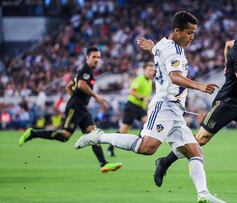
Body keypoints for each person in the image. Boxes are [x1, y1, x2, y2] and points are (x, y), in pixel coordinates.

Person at [75, 11, 226, 203]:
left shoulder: (163, 44)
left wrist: (151, 47)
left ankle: (203, 195)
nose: (192, 37)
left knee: (195, 152)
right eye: (189, 32)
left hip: (176, 110)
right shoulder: (175, 51)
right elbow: (175, 76)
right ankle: (99, 136)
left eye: (194, 32)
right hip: (164, 105)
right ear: (177, 31)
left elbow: (158, 51)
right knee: (146, 147)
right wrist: (199, 85)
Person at [140, 16, 237, 187]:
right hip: (226, 103)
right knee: (199, 140)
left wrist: (226, 64)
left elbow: (228, 44)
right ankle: (164, 162)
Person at [18, 47, 122, 173]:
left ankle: (103, 163)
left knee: (93, 134)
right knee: (65, 136)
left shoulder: (83, 70)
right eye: (94, 57)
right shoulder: (86, 69)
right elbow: (81, 85)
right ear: (87, 57)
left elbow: (69, 86)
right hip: (76, 108)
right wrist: (96, 96)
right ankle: (33, 133)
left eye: (98, 57)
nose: (96, 60)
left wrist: (75, 96)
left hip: (81, 107)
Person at [107, 62, 155, 156]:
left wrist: (146, 103)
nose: (151, 72)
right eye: (149, 70)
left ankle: (139, 141)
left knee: (148, 122)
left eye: (152, 70)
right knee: (124, 130)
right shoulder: (140, 79)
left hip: (140, 107)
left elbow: (146, 97)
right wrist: (141, 98)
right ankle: (110, 147)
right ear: (144, 70)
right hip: (131, 105)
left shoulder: (149, 81)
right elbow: (131, 91)